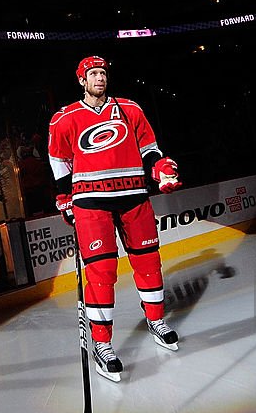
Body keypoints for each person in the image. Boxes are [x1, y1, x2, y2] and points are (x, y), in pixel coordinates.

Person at [47, 55, 182, 382]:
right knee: (102, 272)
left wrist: (160, 169)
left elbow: (150, 148)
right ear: (82, 80)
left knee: (149, 262)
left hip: (134, 195)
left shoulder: (131, 109)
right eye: (93, 74)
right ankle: (102, 345)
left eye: (103, 73)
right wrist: (66, 200)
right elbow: (58, 160)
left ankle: (156, 321)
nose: (99, 78)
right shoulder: (64, 118)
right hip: (91, 202)